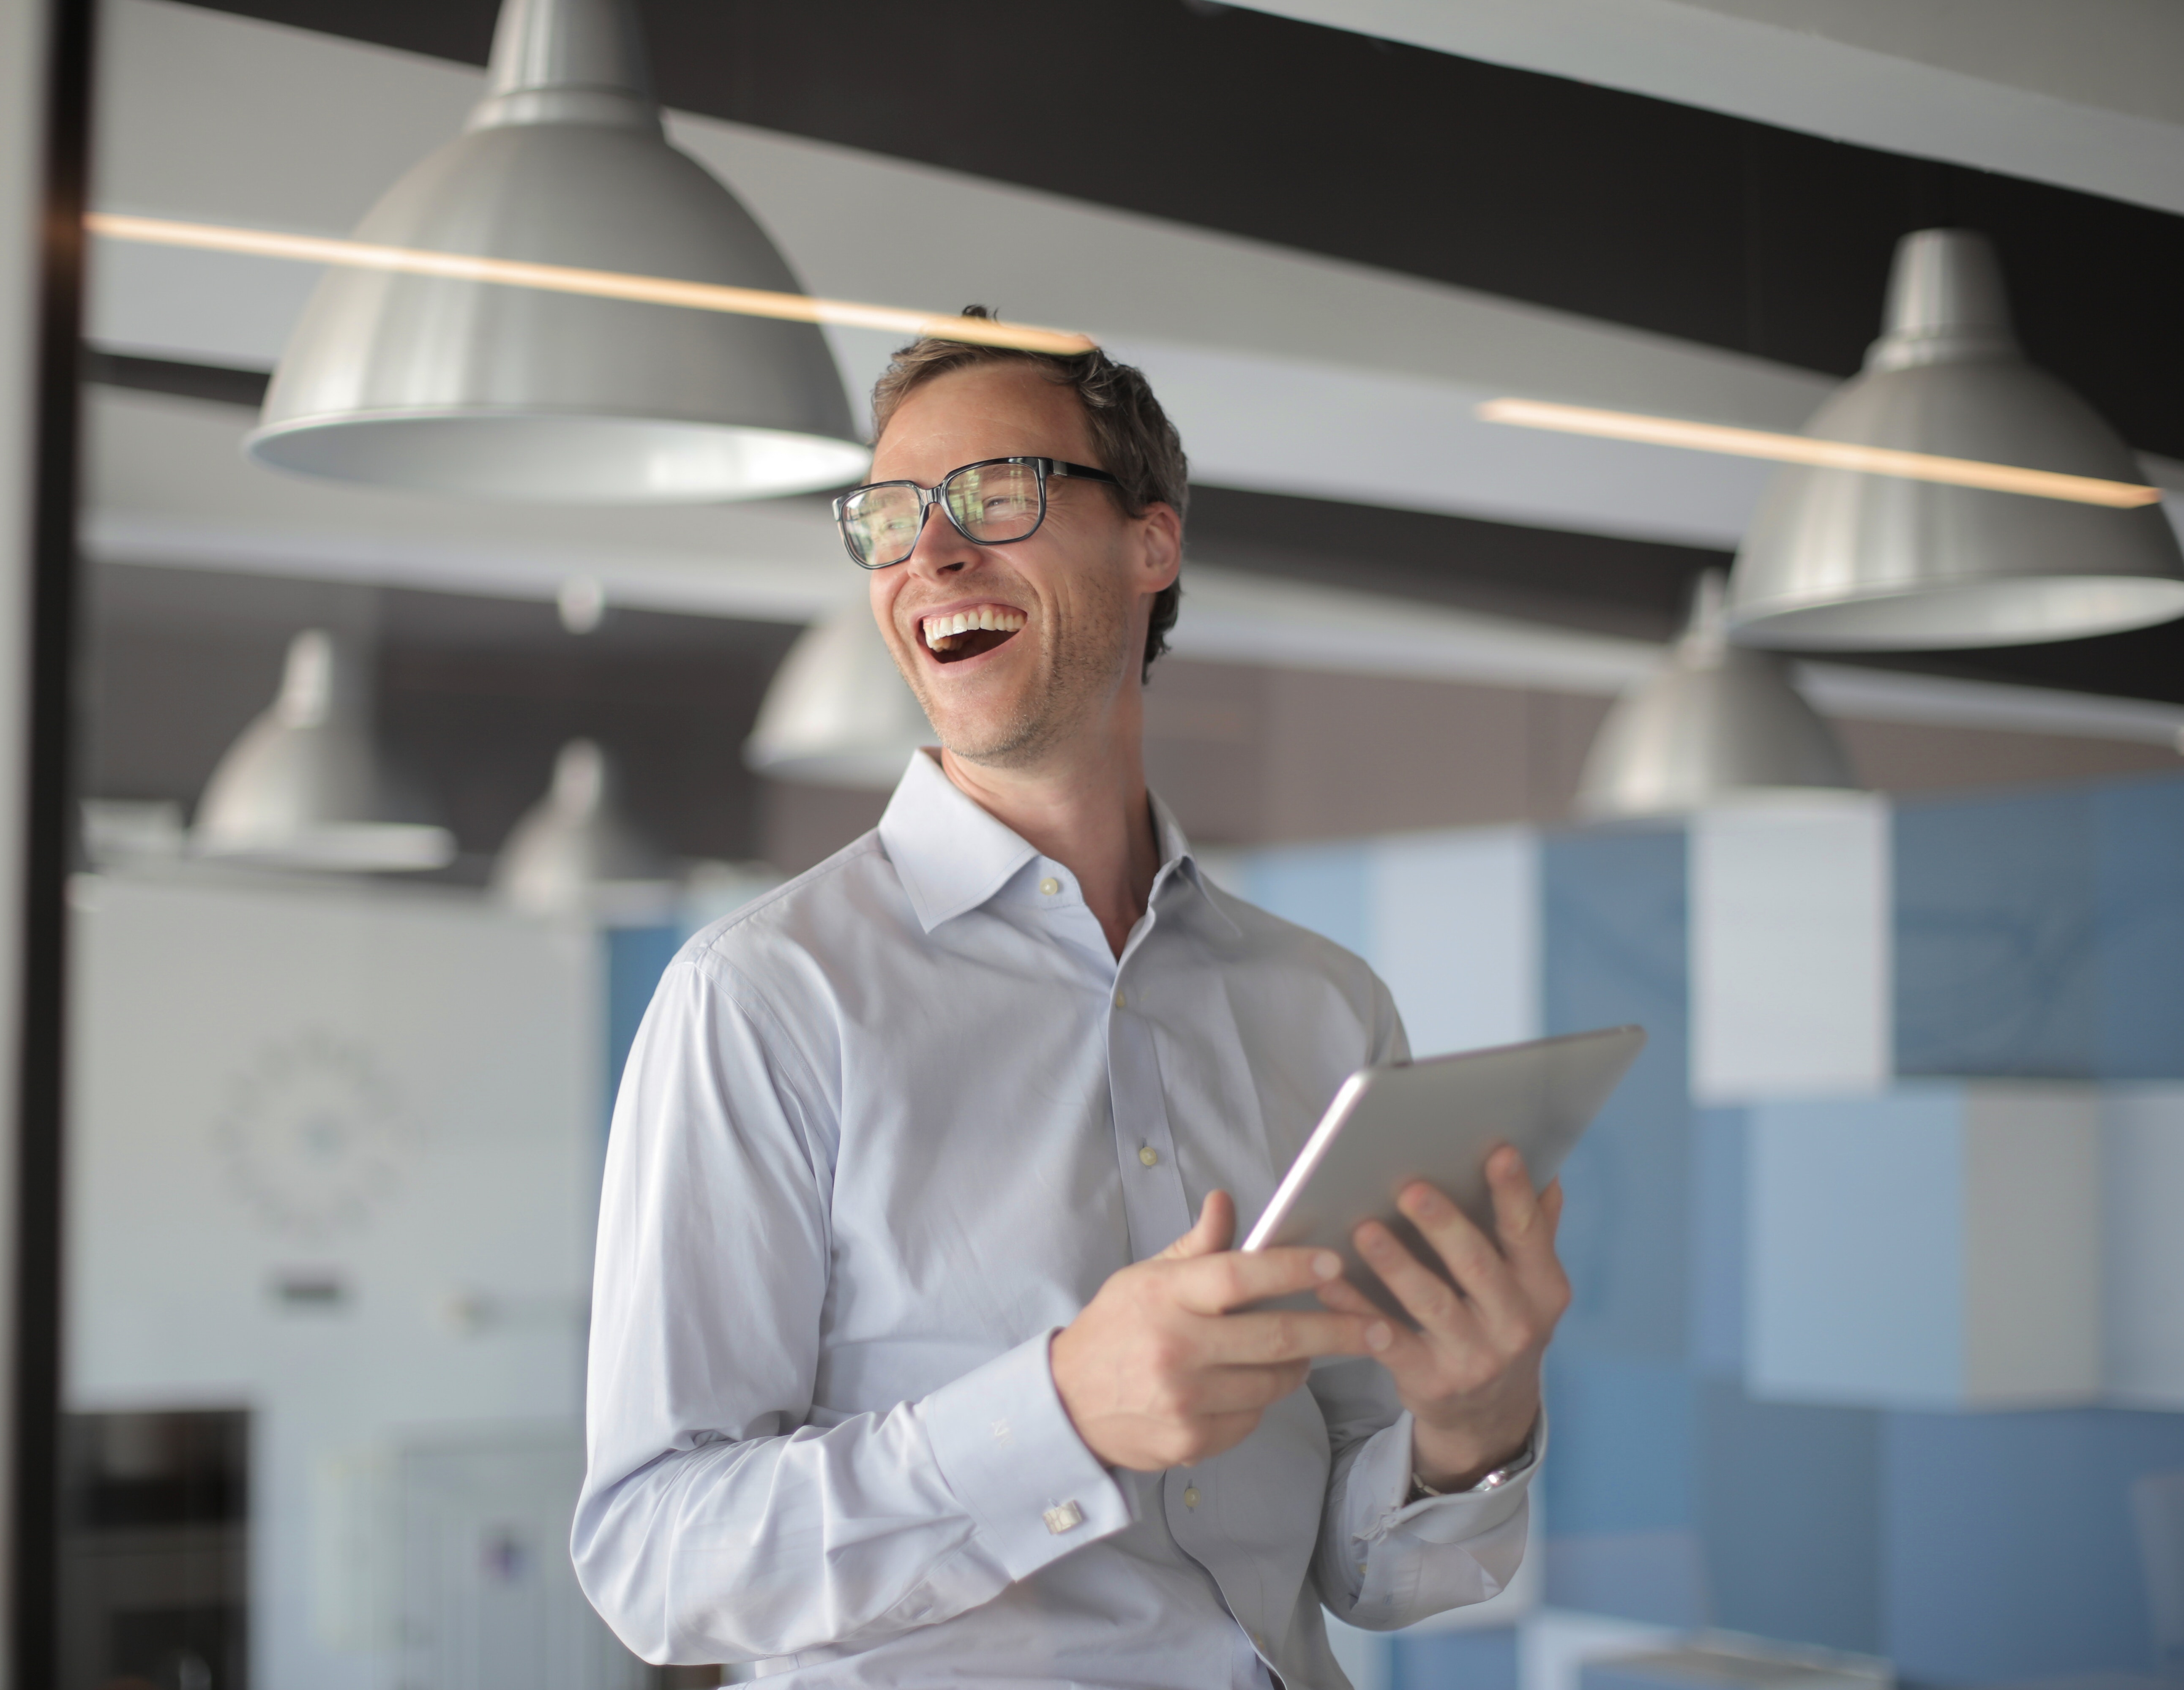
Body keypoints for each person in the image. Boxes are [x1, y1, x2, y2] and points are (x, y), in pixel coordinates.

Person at [572, 317, 1570, 1687]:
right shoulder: (761, 1000)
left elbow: (1367, 1575)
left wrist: (1473, 1417)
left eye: (995, 494)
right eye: (892, 517)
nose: (931, 554)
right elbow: (656, 1558)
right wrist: (1055, 1416)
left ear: (1152, 545)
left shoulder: (1324, 1010)